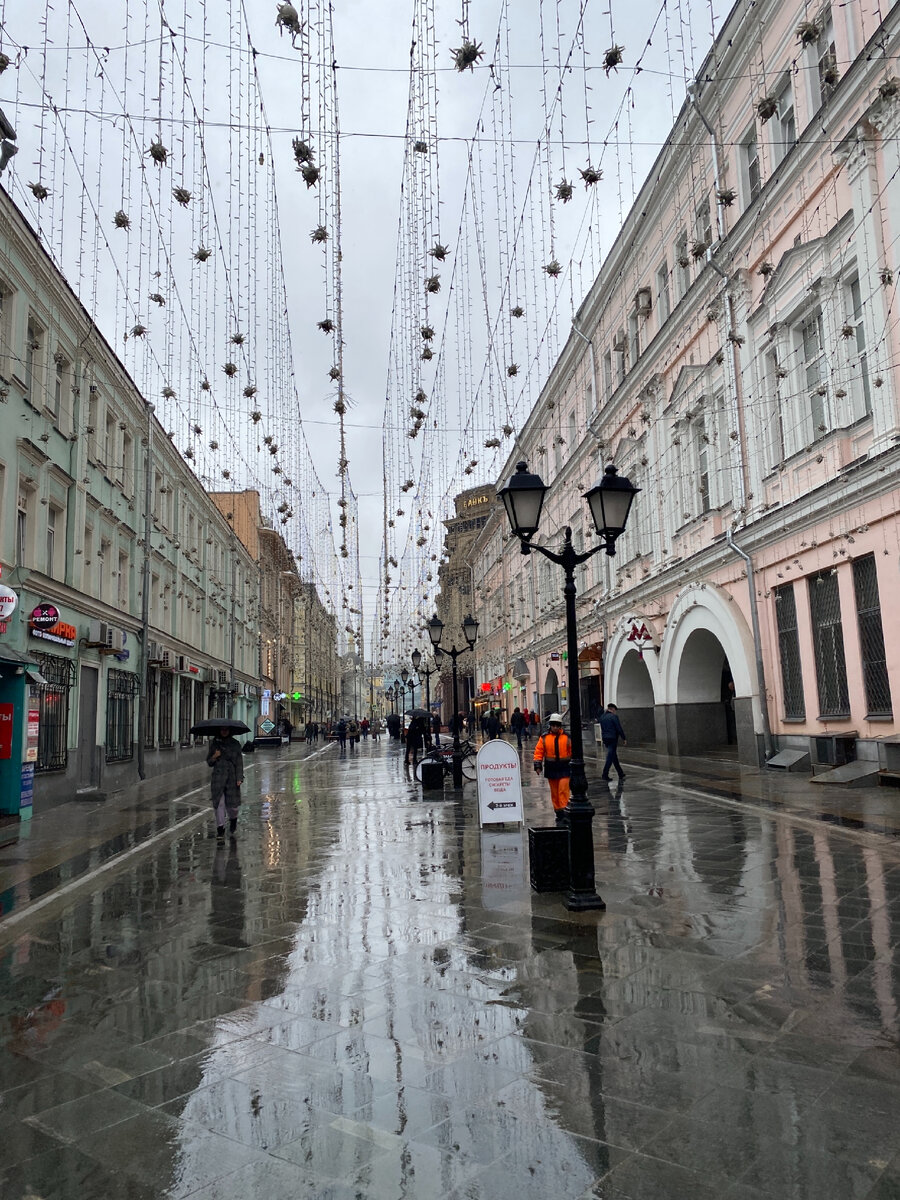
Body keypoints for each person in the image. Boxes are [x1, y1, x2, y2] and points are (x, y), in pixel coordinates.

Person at [533, 713, 571, 825]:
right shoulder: (544, 738)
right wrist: (537, 765)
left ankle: (564, 813)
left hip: (564, 768)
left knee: (563, 790)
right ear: (550, 725)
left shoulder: (567, 737)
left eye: (557, 725)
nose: (555, 727)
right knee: (555, 793)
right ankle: (559, 813)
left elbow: (572, 751)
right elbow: (538, 752)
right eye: (553, 725)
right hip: (551, 768)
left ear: (560, 726)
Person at [207, 728, 245, 838]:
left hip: (232, 777)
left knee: (233, 807)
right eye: (222, 730)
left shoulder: (235, 744)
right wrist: (214, 756)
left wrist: (239, 778)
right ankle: (220, 828)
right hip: (218, 777)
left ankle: (233, 820)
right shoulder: (215, 743)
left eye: (226, 730)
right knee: (219, 803)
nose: (224, 731)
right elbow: (209, 761)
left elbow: (239, 763)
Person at [599, 702, 627, 781]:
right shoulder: (614, 717)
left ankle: (620, 773)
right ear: (613, 709)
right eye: (615, 710)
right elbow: (618, 728)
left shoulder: (602, 717)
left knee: (613, 756)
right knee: (610, 756)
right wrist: (623, 738)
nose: (615, 712)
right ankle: (605, 773)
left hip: (605, 738)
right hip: (612, 738)